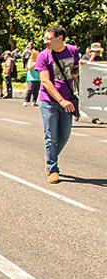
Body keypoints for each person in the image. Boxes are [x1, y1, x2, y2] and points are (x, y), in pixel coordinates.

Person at [36, 25, 80, 184]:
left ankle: (49, 157)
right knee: (51, 137)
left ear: (60, 38)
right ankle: (53, 169)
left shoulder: (73, 51)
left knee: (65, 136)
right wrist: (61, 100)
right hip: (49, 101)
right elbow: (45, 81)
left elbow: (75, 70)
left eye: (49, 38)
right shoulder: (43, 56)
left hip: (68, 100)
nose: (45, 41)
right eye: (45, 38)